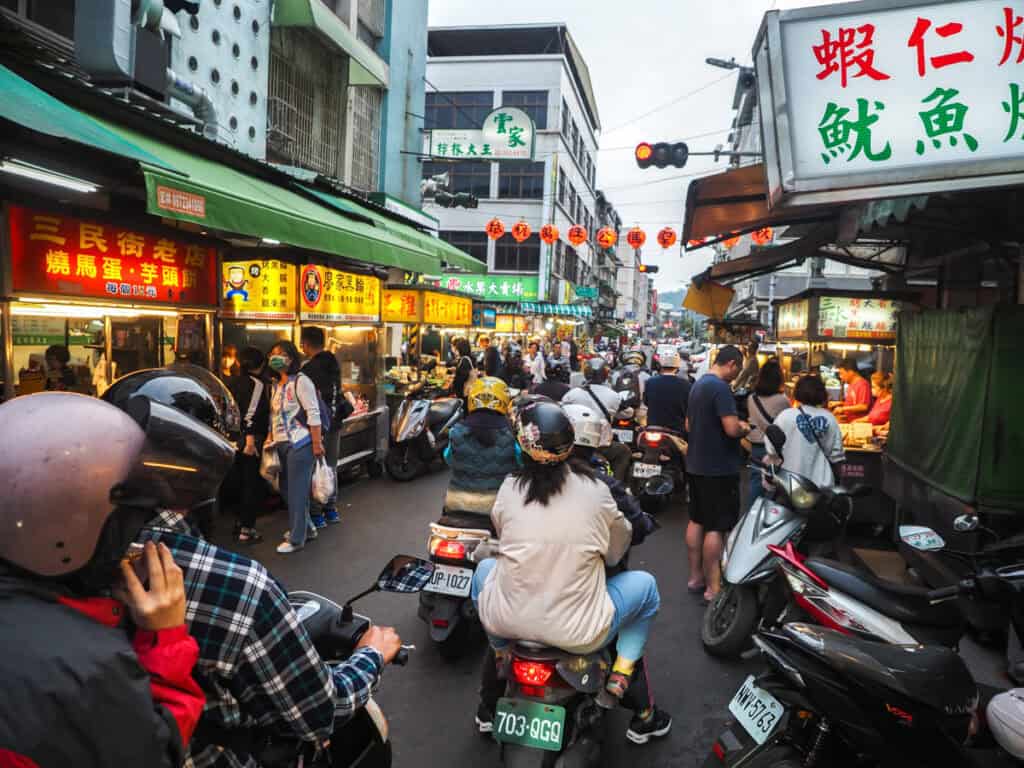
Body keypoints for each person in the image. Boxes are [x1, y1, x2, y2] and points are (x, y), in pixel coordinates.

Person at [0, 393, 208, 767]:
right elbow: (155, 753)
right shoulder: (84, 669)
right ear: (62, 533)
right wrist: (166, 638)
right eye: (127, 526)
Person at [471, 401, 671, 744]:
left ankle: (500, 650)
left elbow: (503, 534)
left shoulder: (509, 487)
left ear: (522, 444)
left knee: (485, 568)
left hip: (506, 621)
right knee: (647, 588)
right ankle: (622, 673)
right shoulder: (597, 490)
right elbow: (616, 552)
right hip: (580, 631)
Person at [685, 345, 751, 602]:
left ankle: (695, 577)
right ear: (732, 363)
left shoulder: (698, 385)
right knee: (716, 526)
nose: (736, 374)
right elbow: (731, 429)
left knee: (697, 520)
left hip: (695, 464)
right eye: (738, 369)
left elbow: (688, 424)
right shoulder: (721, 389)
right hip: (718, 468)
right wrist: (744, 427)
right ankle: (713, 586)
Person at [268, 340, 324, 554]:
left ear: (291, 358)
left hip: (301, 443)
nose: (275, 357)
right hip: (280, 443)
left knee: (297, 492)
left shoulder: (302, 381)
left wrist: (317, 443)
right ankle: (306, 528)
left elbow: (314, 413)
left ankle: (297, 538)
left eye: (281, 353)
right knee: (285, 488)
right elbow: (274, 415)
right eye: (273, 353)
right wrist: (269, 436)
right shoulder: (277, 385)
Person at [301, 326, 352, 528]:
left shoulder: (308, 370)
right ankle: (330, 509)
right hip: (335, 424)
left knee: (315, 469)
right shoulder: (333, 363)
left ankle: (316, 514)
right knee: (330, 467)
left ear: (305, 344)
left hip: (317, 427)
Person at [444, 377, 519, 514]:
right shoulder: (512, 434)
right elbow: (520, 464)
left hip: (456, 504)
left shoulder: (456, 431)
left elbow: (449, 459)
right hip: (497, 507)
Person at [225, 346, 271, 543]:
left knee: (238, 482)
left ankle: (239, 523)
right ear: (260, 365)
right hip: (249, 441)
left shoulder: (231, 382)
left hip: (233, 439)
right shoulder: (256, 385)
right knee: (252, 484)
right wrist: (251, 440)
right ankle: (247, 529)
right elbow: (250, 415)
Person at [768, 374, 845, 489]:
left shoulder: (785, 416)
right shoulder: (829, 418)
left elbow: (771, 449)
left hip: (790, 483)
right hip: (822, 485)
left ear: (797, 392)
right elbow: (837, 456)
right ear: (822, 394)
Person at [563, 357, 631, 482]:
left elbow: (563, 410)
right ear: (605, 375)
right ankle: (616, 483)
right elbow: (627, 413)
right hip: (600, 445)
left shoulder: (573, 393)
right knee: (624, 451)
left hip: (574, 444)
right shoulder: (613, 395)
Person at [746, 360, 791, 504]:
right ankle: (768, 517)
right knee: (773, 483)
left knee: (755, 482)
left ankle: (752, 514)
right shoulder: (782, 401)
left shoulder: (751, 398)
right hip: (773, 449)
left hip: (756, 446)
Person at [643, 347, 691, 435]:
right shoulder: (686, 384)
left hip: (652, 428)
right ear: (677, 366)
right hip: (677, 430)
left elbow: (646, 402)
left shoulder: (650, 382)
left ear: (660, 365)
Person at [450, 336, 475, 403]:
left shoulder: (464, 360)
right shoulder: (469, 358)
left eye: (457, 349)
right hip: (469, 392)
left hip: (465, 392)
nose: (455, 350)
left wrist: (453, 383)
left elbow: (462, 378)